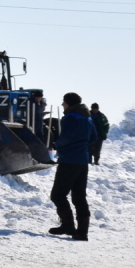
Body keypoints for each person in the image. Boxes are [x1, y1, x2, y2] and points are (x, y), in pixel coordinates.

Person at [50, 92, 94, 240]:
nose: (62, 105)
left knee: (57, 194)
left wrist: (55, 144)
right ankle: (82, 232)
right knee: (79, 197)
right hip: (82, 161)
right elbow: (93, 137)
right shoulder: (87, 117)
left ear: (68, 103)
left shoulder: (70, 117)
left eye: (64, 102)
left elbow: (66, 137)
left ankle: (68, 225)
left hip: (69, 160)